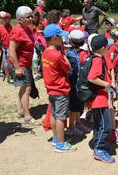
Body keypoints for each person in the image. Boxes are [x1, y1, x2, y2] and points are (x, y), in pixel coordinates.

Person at [41, 24, 77, 152]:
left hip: (51, 89)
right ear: (55, 37)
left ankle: (56, 138)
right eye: (61, 37)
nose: (62, 40)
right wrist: (64, 54)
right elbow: (68, 68)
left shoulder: (45, 52)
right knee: (61, 117)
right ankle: (61, 145)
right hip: (61, 89)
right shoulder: (57, 55)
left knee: (54, 114)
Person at [8, 6, 40, 126]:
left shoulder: (27, 28)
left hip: (25, 64)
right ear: (20, 19)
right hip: (20, 64)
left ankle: (21, 110)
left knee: (24, 88)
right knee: (27, 89)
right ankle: (27, 117)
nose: (31, 18)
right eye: (28, 17)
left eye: (31, 15)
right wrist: (17, 67)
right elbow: (11, 50)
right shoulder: (18, 31)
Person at [88, 35, 115, 164]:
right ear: (103, 48)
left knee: (99, 124)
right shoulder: (98, 60)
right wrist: (105, 84)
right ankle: (99, 149)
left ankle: (98, 143)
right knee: (106, 126)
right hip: (99, 99)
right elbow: (92, 77)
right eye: (107, 46)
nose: (109, 48)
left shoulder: (96, 57)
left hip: (98, 97)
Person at [65, 30, 91, 136]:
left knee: (76, 105)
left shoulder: (67, 52)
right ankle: (71, 127)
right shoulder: (83, 54)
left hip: (71, 82)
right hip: (78, 83)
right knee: (74, 106)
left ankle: (78, 123)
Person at [0, 11, 13, 83]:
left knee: (11, 62)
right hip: (4, 49)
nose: (5, 19)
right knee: (5, 64)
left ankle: (12, 75)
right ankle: (8, 78)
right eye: (3, 18)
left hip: (11, 48)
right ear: (0, 19)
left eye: (6, 17)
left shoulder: (9, 26)